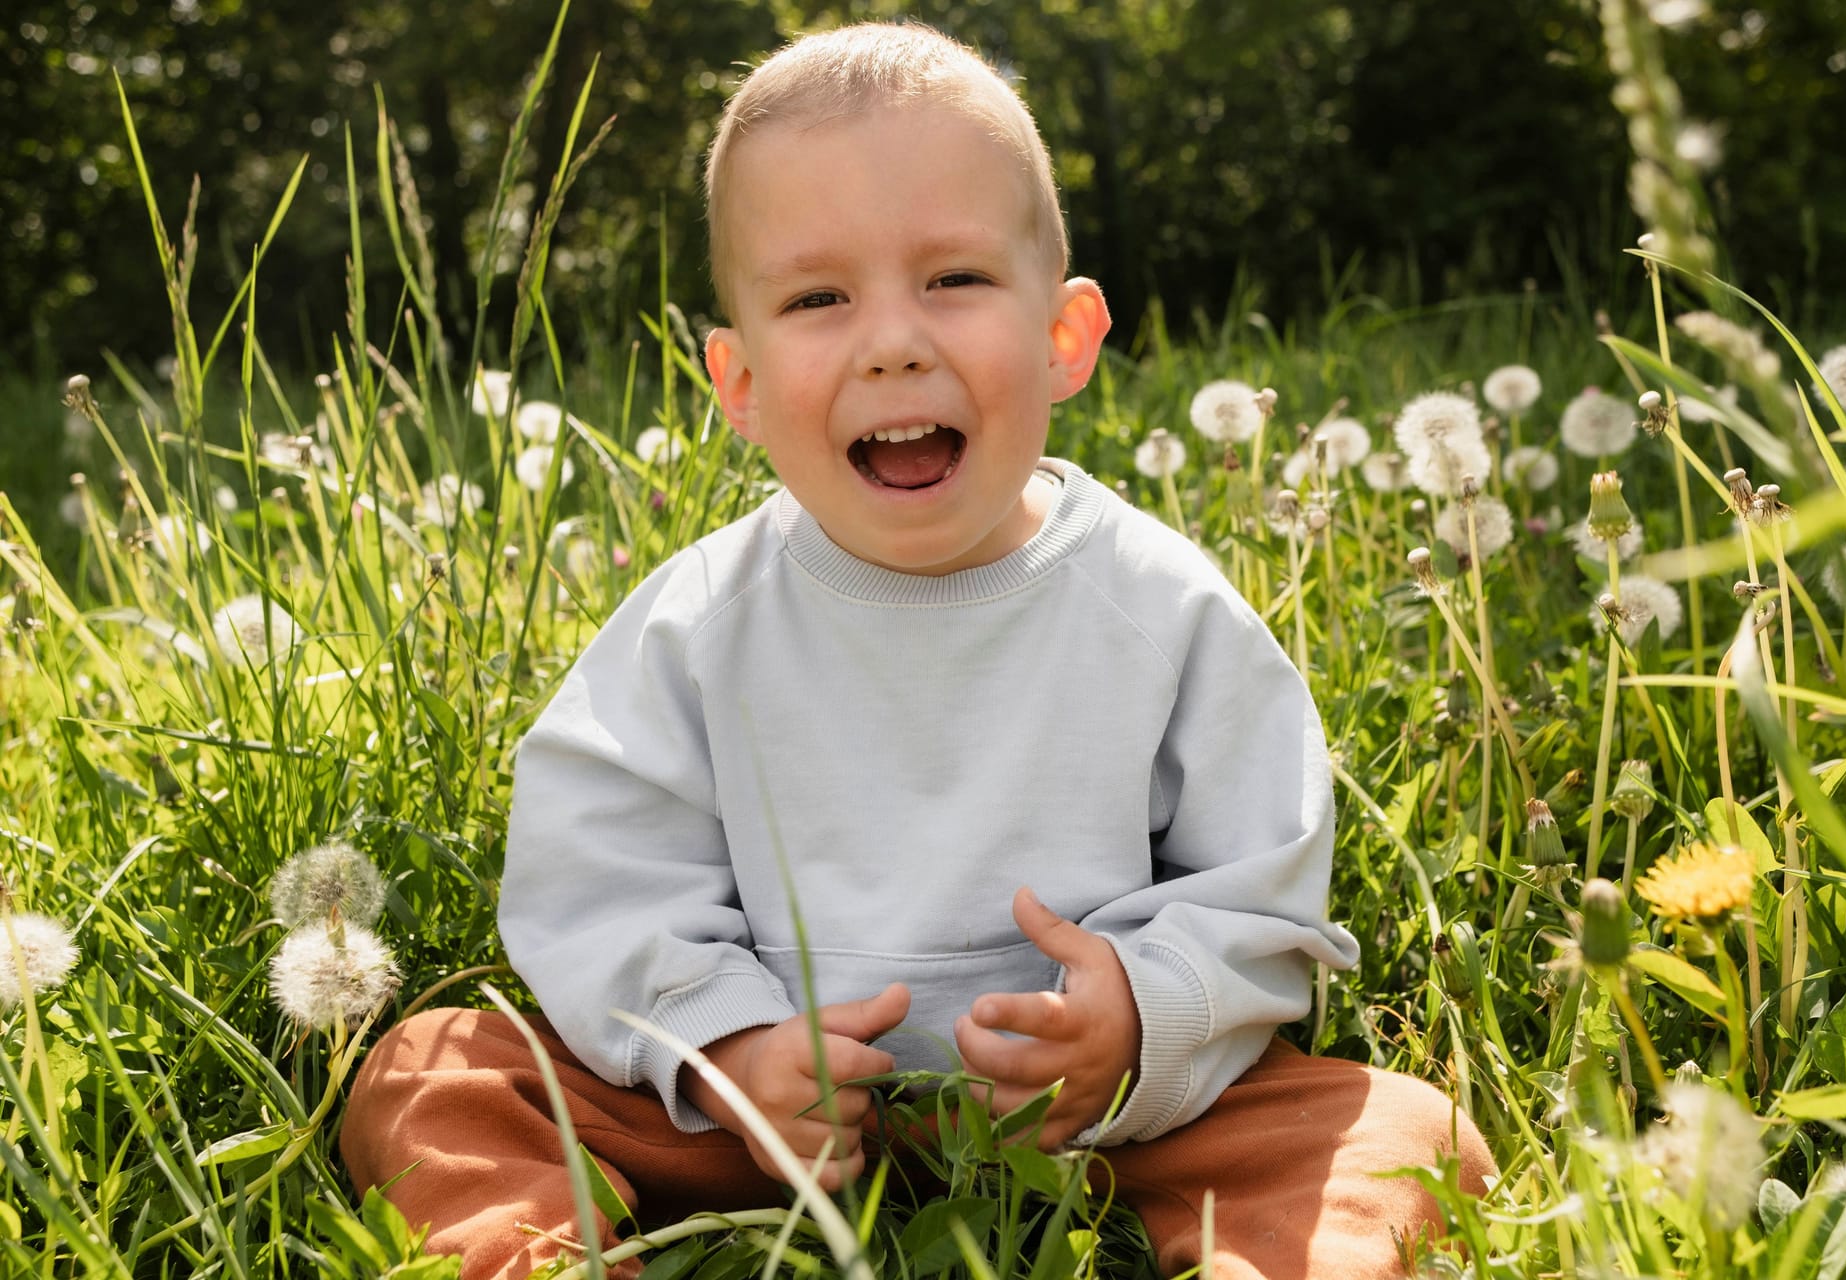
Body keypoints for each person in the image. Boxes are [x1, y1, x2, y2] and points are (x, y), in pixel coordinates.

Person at [340, 21, 1494, 1280]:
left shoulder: (1155, 601)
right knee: (434, 1071)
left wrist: (1140, 1013)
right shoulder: (699, 620)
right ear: (739, 382)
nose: (892, 339)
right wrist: (725, 1049)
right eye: (818, 298)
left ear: (1065, 338)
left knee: (1403, 1136)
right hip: (761, 1122)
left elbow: (1260, 880)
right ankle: (539, 1260)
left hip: (1096, 1115)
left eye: (951, 279)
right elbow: (599, 868)